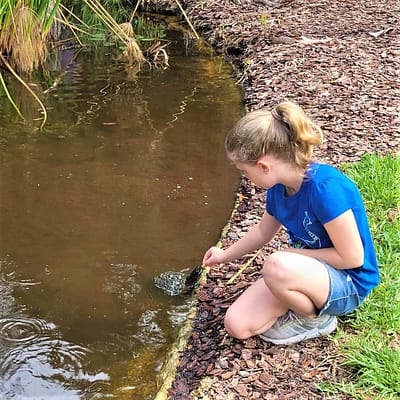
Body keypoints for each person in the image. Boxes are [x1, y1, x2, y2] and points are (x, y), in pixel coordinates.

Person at [202, 102, 379, 345]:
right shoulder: (278, 189)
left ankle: (314, 319)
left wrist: (292, 254)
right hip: (303, 271)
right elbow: (263, 231)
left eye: (245, 171)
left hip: (348, 284)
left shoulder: (326, 189)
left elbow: (352, 259)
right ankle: (293, 291)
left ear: (264, 166)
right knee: (237, 326)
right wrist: (224, 256)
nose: (246, 177)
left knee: (276, 265)